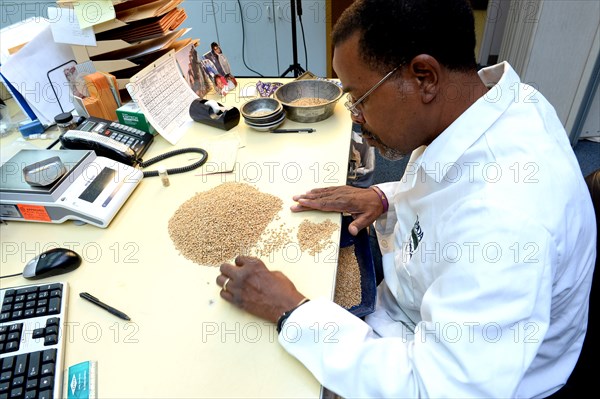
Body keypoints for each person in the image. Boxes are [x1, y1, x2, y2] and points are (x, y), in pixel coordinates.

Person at [216, 0, 596, 397]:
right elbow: (455, 185)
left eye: (359, 97)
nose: (356, 116)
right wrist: (385, 197)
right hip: (419, 311)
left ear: (425, 77)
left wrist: (292, 311)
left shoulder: (505, 222)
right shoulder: (495, 103)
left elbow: (432, 388)